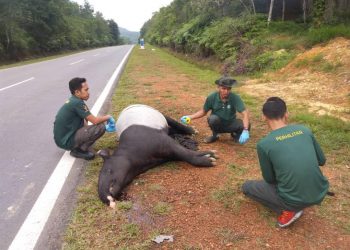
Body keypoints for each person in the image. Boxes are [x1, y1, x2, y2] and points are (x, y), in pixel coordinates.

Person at [242, 97, 329, 228]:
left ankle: (290, 209)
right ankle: (299, 198)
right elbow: (322, 161)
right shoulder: (305, 130)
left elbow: (270, 179)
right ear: (286, 114)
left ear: (263, 117)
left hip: (292, 199)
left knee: (247, 187)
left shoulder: (264, 144)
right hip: (320, 191)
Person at [53, 77, 114, 160]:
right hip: (66, 141)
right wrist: (108, 117)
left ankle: (80, 145)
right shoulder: (77, 103)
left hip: (63, 139)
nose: (88, 93)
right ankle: (78, 150)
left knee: (88, 123)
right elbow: (95, 121)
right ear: (77, 92)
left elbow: (87, 120)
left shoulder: (74, 100)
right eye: (86, 90)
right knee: (100, 127)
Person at [181, 76, 250, 144]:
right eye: (223, 88)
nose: (226, 91)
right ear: (218, 87)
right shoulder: (212, 97)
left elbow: (245, 113)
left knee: (245, 125)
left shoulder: (235, 97)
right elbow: (203, 111)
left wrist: (245, 130)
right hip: (218, 124)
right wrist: (190, 117)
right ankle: (215, 135)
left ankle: (235, 134)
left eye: (228, 89)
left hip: (230, 123)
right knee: (213, 119)